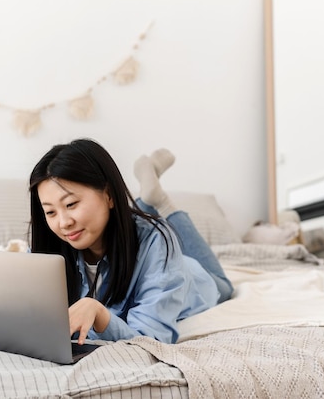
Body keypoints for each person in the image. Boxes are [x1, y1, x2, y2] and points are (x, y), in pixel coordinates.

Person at [28, 138, 233, 344]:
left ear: (108, 195)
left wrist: (99, 314)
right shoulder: (47, 250)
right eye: (50, 211)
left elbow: (151, 337)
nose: (64, 223)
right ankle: (147, 200)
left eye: (71, 204)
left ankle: (159, 201)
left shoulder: (157, 241)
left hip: (194, 278)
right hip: (142, 244)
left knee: (224, 286)